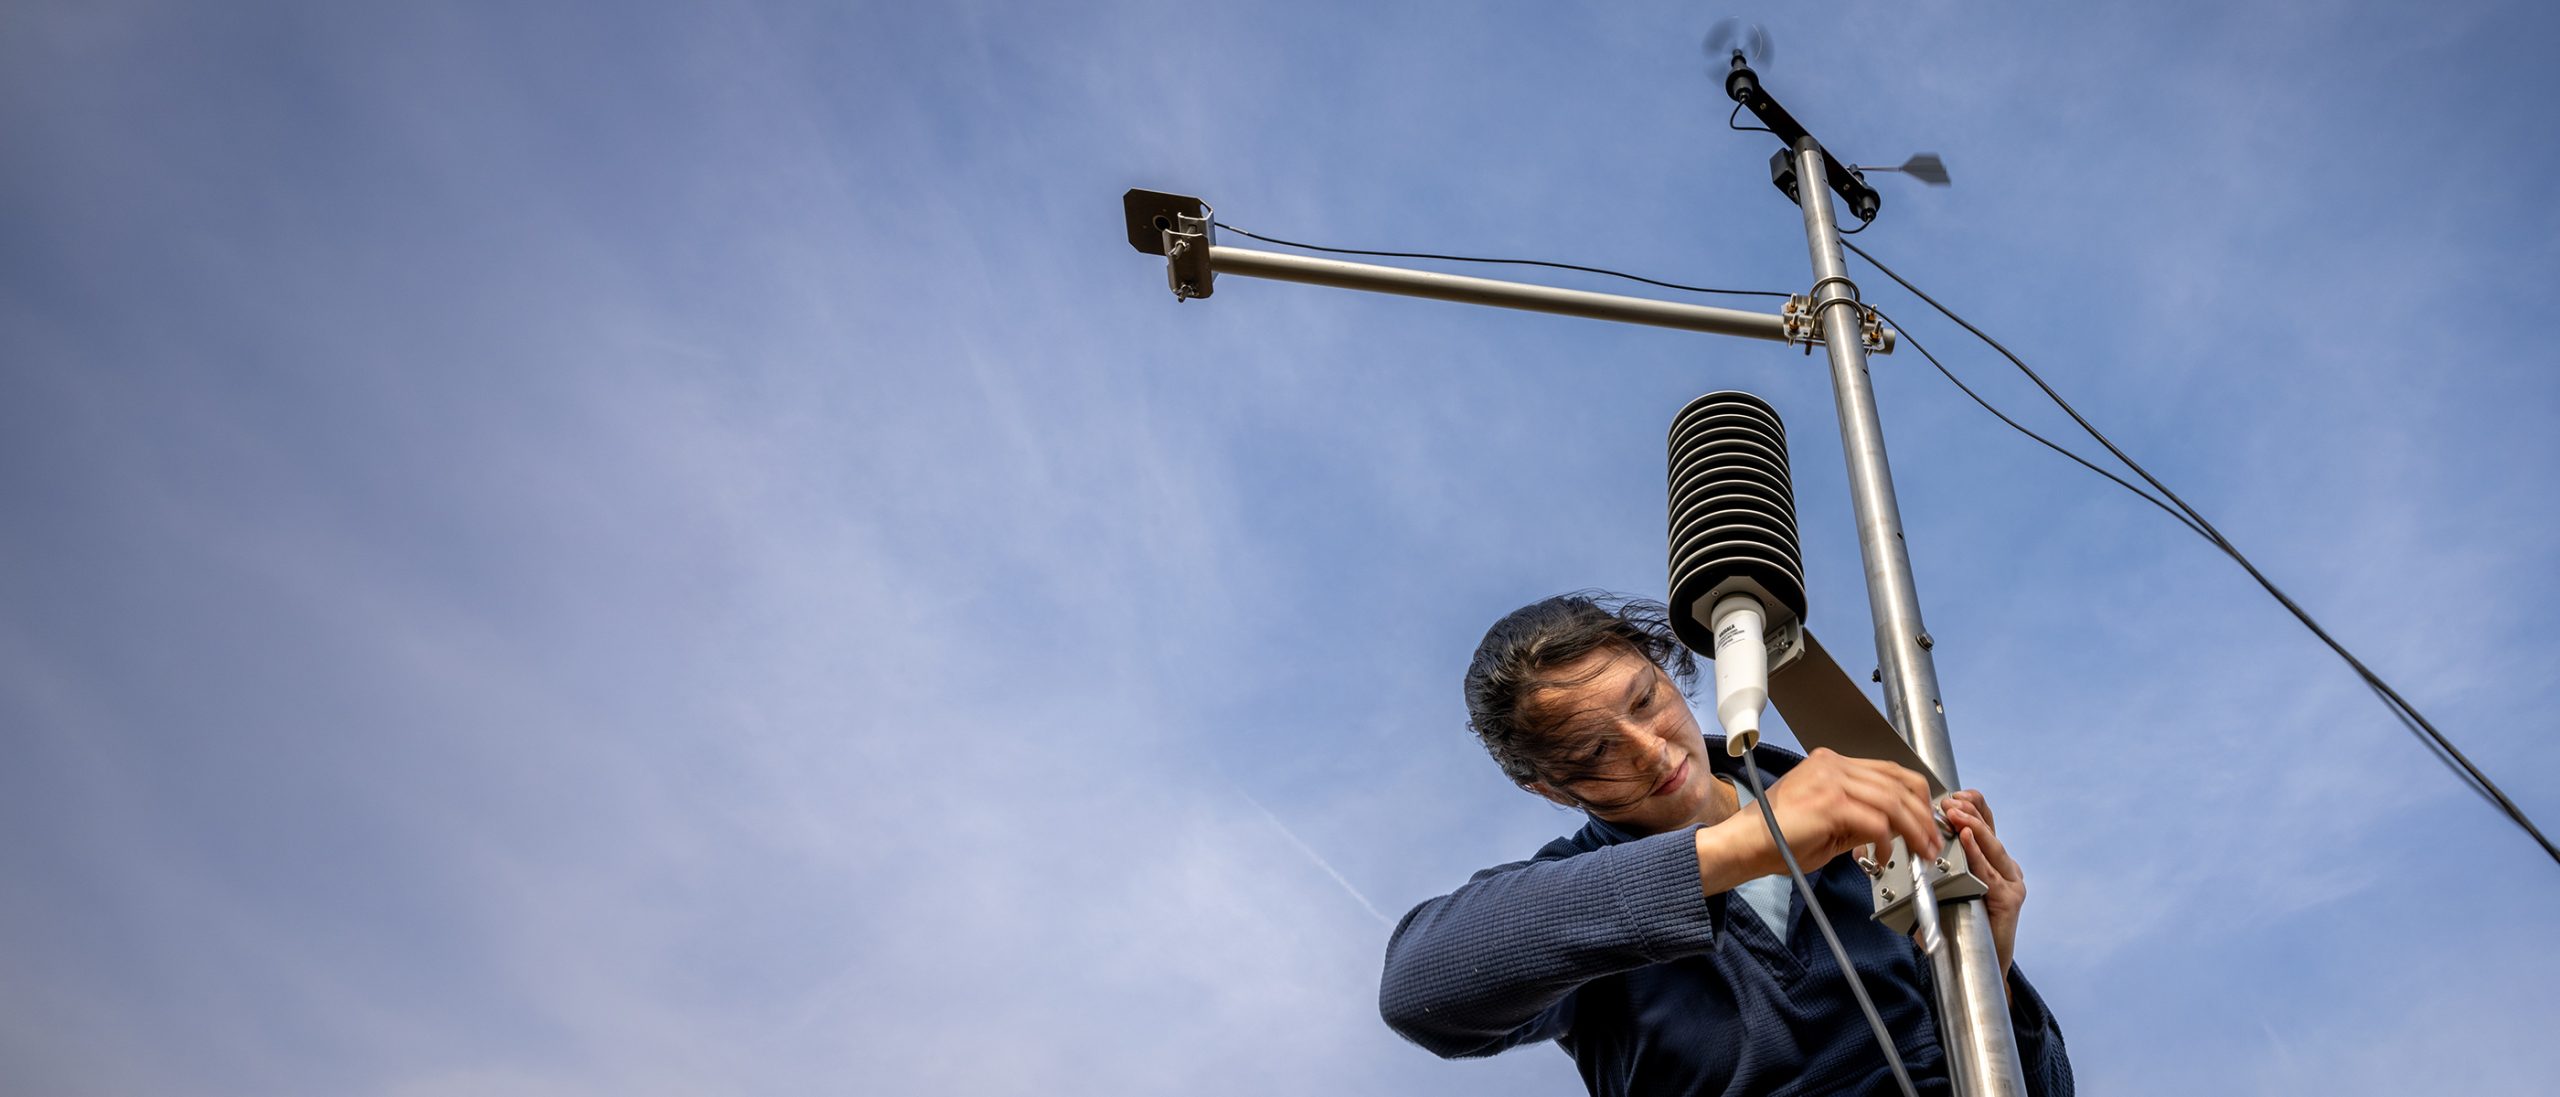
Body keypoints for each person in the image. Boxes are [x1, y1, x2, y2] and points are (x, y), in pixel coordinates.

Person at [1380, 592, 2072, 1096]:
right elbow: (1419, 987)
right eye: (1595, 749)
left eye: (1646, 700)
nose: (1651, 752)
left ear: (1666, 668)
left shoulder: (1866, 813)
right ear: (1551, 789)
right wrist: (1743, 845)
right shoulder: (1572, 903)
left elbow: (2049, 1089)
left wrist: (1989, 973)